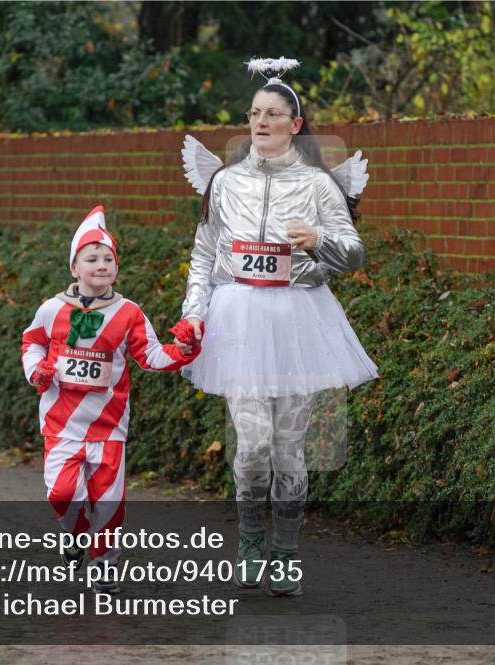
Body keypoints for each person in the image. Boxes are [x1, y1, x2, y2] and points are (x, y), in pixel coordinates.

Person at [173, 58, 378, 596]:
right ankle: (248, 543)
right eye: (255, 113)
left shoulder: (317, 184)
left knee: (288, 448)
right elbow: (203, 254)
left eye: (274, 113)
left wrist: (319, 242)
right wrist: (194, 313)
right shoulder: (224, 181)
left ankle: (285, 552)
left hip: (296, 319)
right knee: (253, 445)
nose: (261, 121)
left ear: (296, 123)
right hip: (238, 319)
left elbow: (354, 254)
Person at [21, 206, 200, 594]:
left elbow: (151, 356)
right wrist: (36, 370)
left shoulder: (129, 312)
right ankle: (74, 534)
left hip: (109, 427)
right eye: (92, 259)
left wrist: (185, 349)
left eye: (108, 259)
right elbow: (31, 342)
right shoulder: (52, 309)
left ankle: (104, 565)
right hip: (60, 424)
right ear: (74, 268)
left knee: (107, 503)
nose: (101, 265)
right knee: (62, 495)